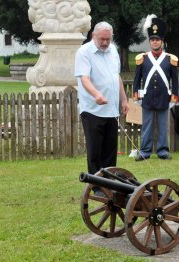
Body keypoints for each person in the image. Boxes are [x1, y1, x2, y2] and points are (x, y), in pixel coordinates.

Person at [74, 21, 129, 175]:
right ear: (94, 36)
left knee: (110, 151)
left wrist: (123, 100)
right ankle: (96, 185)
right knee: (95, 151)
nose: (105, 43)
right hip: (92, 110)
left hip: (111, 110)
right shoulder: (84, 52)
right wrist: (96, 94)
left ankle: (110, 183)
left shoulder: (113, 50)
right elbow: (84, 78)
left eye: (108, 39)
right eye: (102, 39)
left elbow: (116, 77)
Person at [133, 15, 179, 161]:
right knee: (146, 126)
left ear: (162, 41)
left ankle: (162, 151)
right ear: (150, 41)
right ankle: (145, 151)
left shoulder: (170, 59)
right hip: (147, 97)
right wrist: (136, 95)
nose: (154, 42)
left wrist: (174, 97)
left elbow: (175, 81)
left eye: (157, 39)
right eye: (152, 40)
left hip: (163, 97)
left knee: (163, 127)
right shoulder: (143, 58)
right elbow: (137, 79)